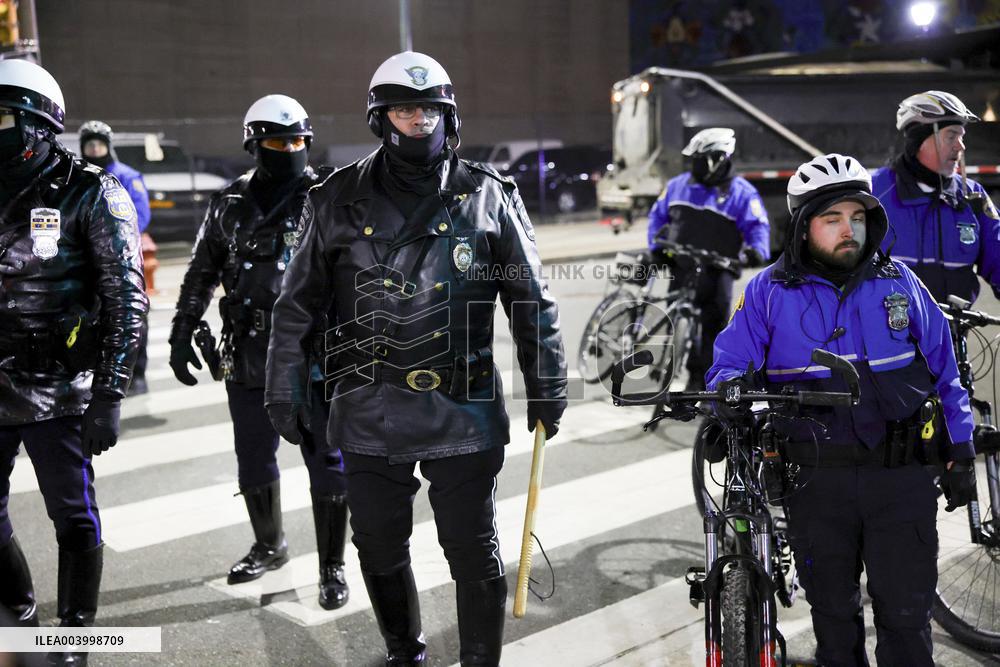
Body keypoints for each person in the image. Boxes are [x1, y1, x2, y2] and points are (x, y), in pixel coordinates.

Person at [265, 51, 567, 666]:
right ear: (382, 118)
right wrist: (282, 385)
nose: (419, 120)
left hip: (464, 407)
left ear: (447, 115)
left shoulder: (488, 194)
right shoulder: (334, 198)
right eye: (406, 108)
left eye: (430, 108)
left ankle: (481, 660)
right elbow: (295, 306)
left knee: (472, 548)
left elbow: (530, 298)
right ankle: (405, 653)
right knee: (376, 547)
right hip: (367, 408)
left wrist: (548, 381)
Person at [707, 153, 977, 665]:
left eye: (856, 217)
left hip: (900, 480)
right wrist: (730, 394)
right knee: (832, 616)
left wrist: (960, 448)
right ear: (804, 227)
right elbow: (728, 362)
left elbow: (946, 370)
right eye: (832, 219)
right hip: (815, 484)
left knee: (905, 616)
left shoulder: (900, 282)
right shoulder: (767, 292)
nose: (847, 230)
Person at [168, 95, 350, 610]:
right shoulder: (227, 205)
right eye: (277, 141)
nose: (289, 149)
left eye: (298, 141)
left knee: (327, 459)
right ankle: (270, 545)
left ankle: (332, 564)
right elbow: (201, 273)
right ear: (254, 144)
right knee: (253, 456)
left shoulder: (328, 196)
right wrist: (182, 331)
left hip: (314, 351)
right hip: (247, 352)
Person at [0, 60, 147, 666]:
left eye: (4, 117)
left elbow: (126, 299)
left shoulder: (92, 190)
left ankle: (76, 636)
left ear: (39, 122)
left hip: (58, 389)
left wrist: (111, 395)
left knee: (73, 518)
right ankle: (22, 612)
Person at [646, 127, 770, 390]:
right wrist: (655, 247)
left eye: (699, 159)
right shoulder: (677, 186)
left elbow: (758, 227)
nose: (694, 165)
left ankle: (705, 380)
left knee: (715, 329)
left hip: (718, 271)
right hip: (682, 265)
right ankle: (682, 369)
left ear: (717, 159)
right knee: (678, 322)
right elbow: (657, 217)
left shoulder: (742, 193)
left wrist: (754, 252)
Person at [873, 90, 1000, 304]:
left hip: (953, 335)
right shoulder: (875, 192)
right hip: (889, 332)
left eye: (961, 137)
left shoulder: (972, 196)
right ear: (920, 141)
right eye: (951, 136)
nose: (961, 146)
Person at [79, 120, 153, 395]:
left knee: (132, 312)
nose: (95, 149)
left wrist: (113, 238)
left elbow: (141, 214)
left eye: (99, 144)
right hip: (85, 259)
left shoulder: (127, 176)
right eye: (90, 144)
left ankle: (138, 373)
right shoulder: (77, 177)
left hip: (121, 256)